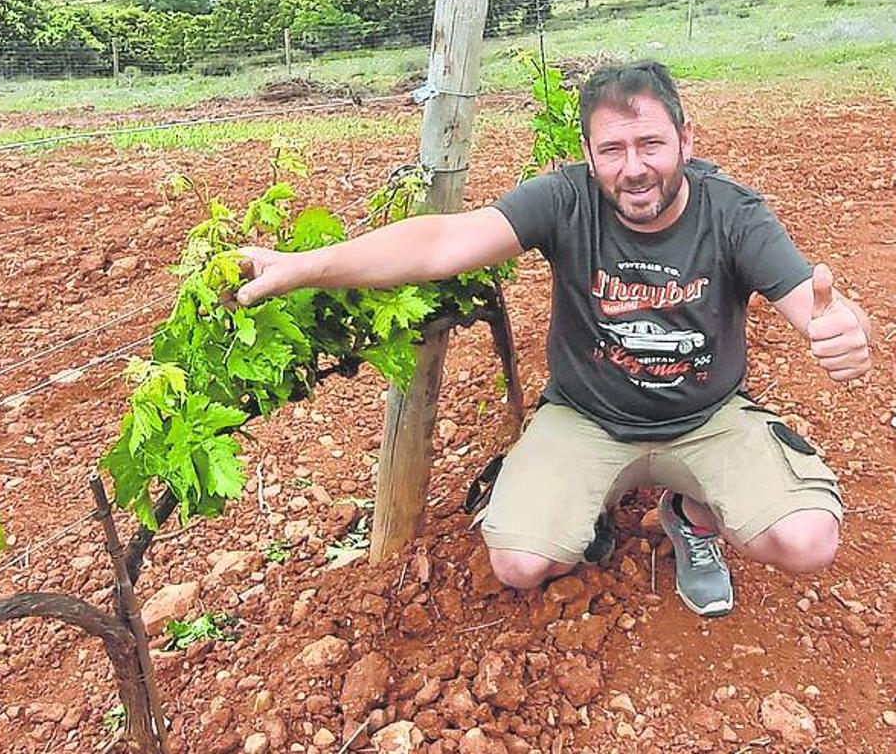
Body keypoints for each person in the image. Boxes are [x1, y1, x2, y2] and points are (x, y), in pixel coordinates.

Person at [232, 61, 873, 617]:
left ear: (685, 138)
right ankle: (587, 505)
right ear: (588, 154)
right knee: (519, 561)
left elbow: (818, 308)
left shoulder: (732, 212)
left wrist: (844, 329)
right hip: (586, 417)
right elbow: (444, 240)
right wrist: (305, 266)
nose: (634, 169)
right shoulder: (564, 199)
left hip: (706, 416)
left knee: (807, 540)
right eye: (612, 151)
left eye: (651, 144)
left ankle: (689, 516)